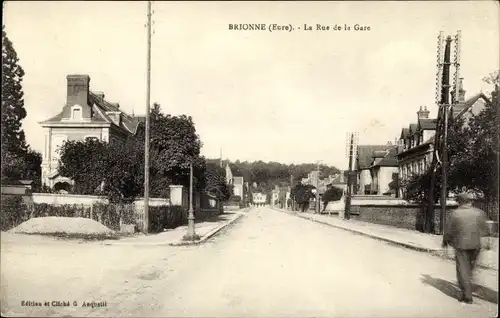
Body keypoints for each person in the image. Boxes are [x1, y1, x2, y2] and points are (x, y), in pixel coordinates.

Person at [442, 192, 489, 304]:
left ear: (460, 201)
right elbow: (485, 230)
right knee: (470, 269)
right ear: (470, 201)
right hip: (476, 246)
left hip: (461, 246)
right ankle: (467, 287)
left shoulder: (455, 214)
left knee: (463, 270)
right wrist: (487, 243)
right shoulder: (479, 213)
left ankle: (467, 295)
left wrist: (445, 241)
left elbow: (448, 230)